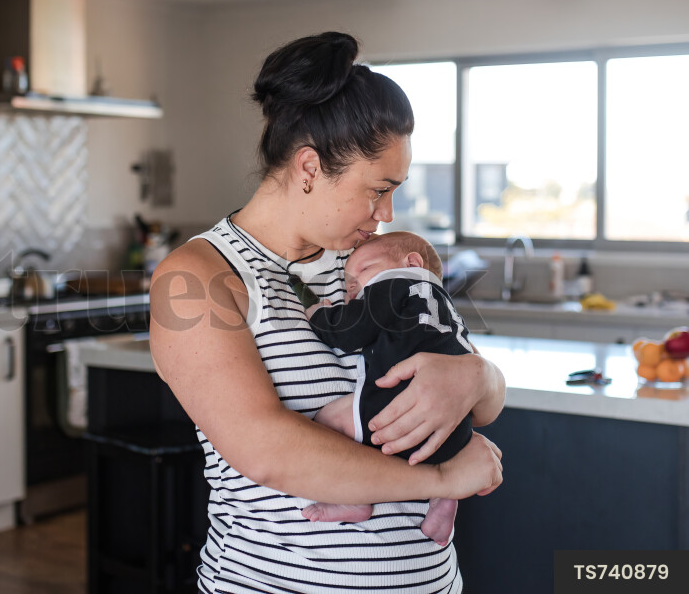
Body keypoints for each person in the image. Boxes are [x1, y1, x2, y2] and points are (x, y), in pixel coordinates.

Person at [149, 32, 505, 594]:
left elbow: (477, 392)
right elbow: (266, 450)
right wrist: (438, 478)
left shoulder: (369, 264)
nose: (386, 213)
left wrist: (478, 375)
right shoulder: (200, 275)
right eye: (378, 190)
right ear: (310, 167)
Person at [300, 231, 475, 548]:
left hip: (396, 414)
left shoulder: (396, 284)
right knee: (441, 454)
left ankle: (353, 498)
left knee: (326, 421)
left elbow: (349, 331)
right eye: (347, 283)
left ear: (410, 263)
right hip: (454, 429)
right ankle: (445, 498)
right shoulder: (445, 305)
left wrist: (318, 314)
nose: (352, 288)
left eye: (362, 272)